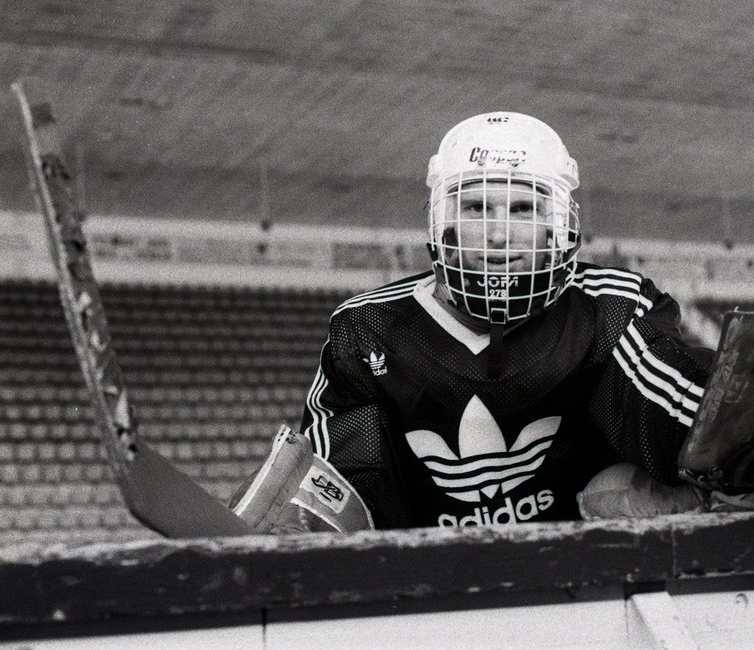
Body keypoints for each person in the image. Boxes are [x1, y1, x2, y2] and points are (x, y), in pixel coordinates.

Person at [288, 111, 715, 529]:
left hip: (586, 574)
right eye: (475, 207)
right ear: (443, 223)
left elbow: (684, 410)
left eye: (524, 208)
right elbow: (344, 489)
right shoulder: (368, 328)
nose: (497, 233)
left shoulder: (612, 306)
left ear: (557, 224)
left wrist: (744, 430)